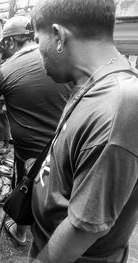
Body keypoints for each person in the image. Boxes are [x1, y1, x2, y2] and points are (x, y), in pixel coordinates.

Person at [29, 0, 138, 262]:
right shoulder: (92, 83)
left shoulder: (118, 107)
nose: (37, 51)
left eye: (36, 40)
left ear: (57, 35)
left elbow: (83, 227)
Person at [0, 16, 71, 246]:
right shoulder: (60, 59)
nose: (2, 50)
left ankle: (22, 233)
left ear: (11, 43)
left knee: (25, 187)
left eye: (3, 45)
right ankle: (51, 233)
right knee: (55, 193)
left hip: (29, 152)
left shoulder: (5, 69)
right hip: (63, 146)